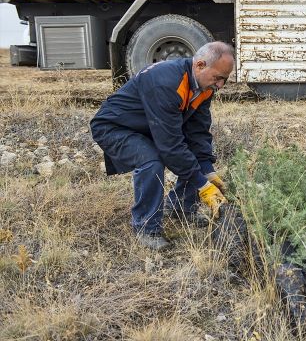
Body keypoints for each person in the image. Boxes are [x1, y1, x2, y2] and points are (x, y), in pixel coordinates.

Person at [90, 41, 235, 250]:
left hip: (149, 126)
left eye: (225, 80)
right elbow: (170, 146)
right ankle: (147, 228)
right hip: (115, 127)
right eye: (218, 78)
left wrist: (208, 171)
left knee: (191, 158)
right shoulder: (166, 82)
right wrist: (203, 186)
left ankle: (180, 209)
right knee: (152, 161)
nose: (220, 85)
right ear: (200, 65)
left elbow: (197, 133)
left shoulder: (204, 87)